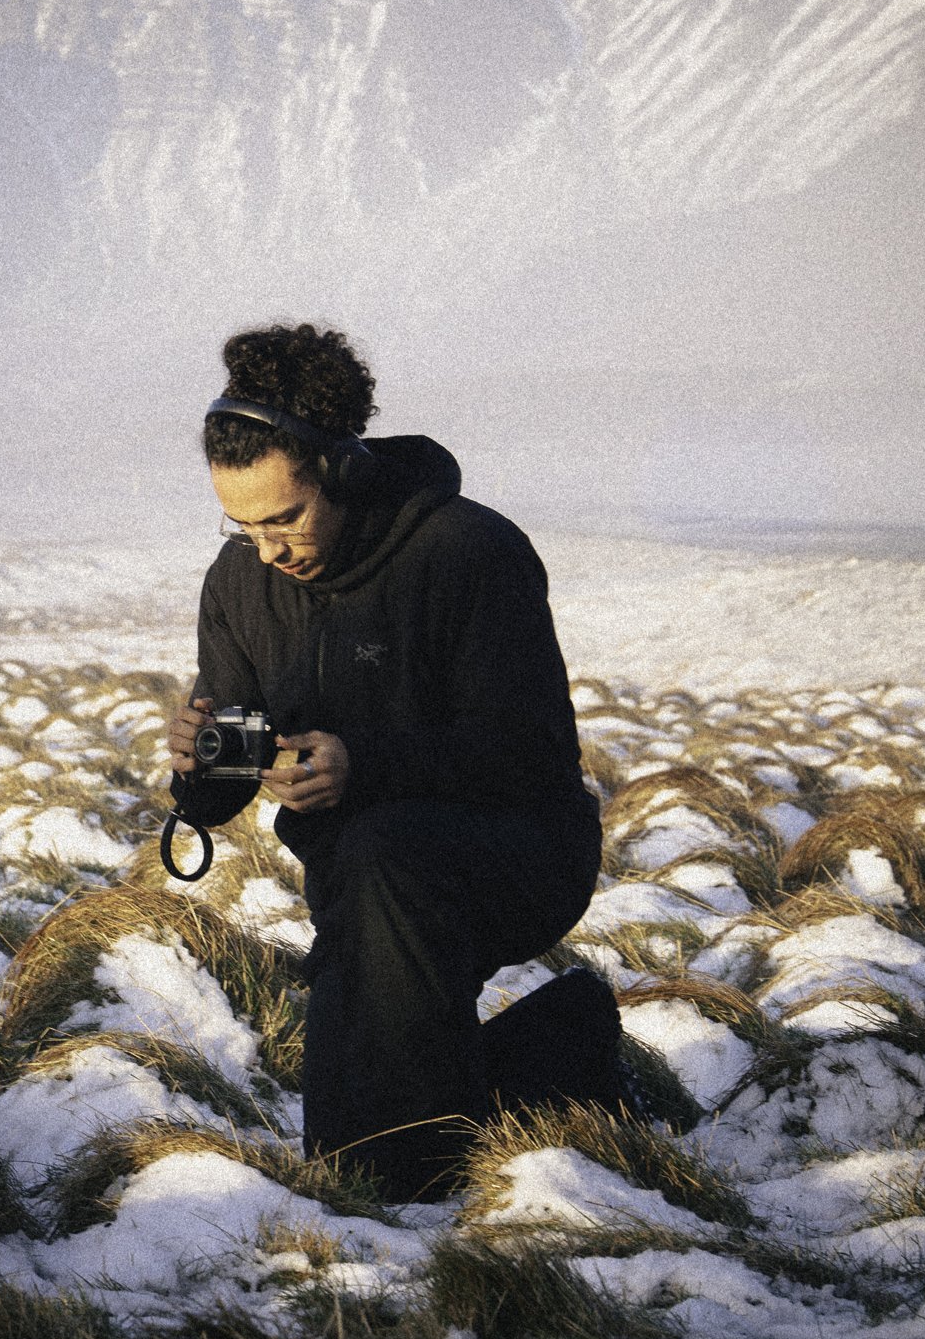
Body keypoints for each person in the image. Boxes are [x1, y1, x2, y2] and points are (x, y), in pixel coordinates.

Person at [166, 322, 623, 1200]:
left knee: (381, 884)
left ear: (343, 470)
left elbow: (528, 754)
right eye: (242, 523)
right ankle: (560, 1046)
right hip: (359, 871)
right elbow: (223, 782)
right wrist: (198, 769)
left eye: (285, 518)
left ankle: (408, 1194)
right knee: (354, 1072)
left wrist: (363, 764)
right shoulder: (239, 582)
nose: (268, 549)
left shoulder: (471, 553)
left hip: (523, 851)